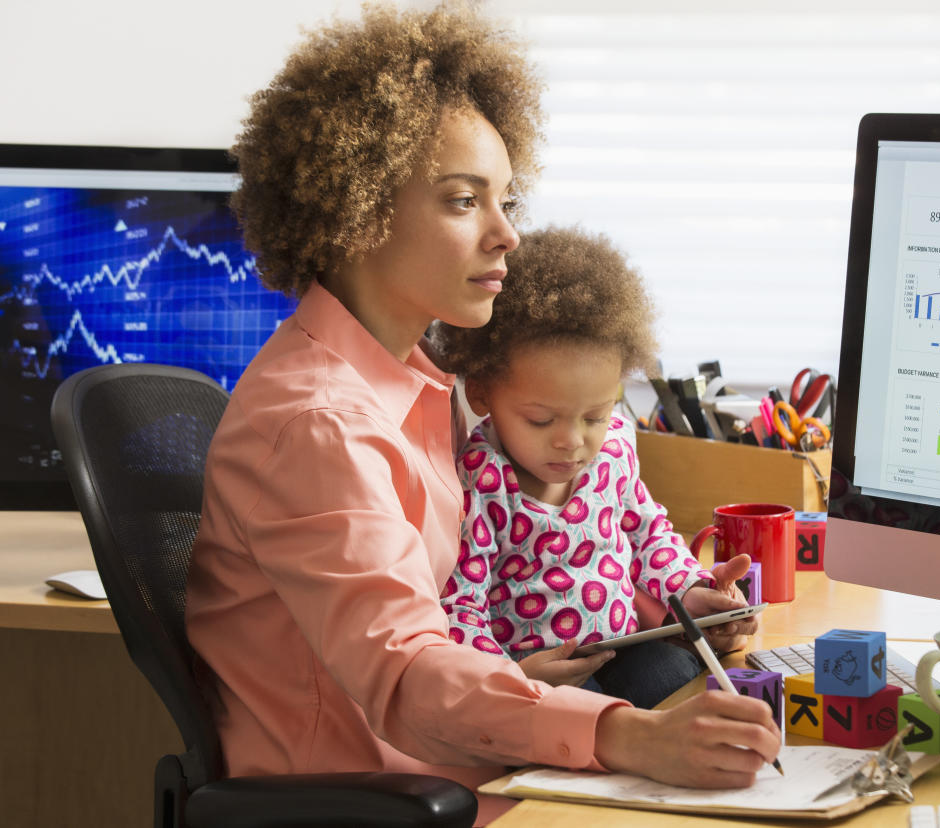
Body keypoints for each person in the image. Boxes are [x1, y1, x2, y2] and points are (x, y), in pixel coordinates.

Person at [184, 4, 779, 824]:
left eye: (505, 200)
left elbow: (524, 579)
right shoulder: (319, 423)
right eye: (466, 201)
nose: (507, 236)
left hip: (476, 767)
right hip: (388, 797)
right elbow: (408, 672)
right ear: (358, 211)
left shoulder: (425, 391)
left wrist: (665, 613)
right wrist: (631, 738)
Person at [432, 226, 756, 709]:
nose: (572, 441)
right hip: (537, 670)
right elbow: (461, 606)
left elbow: (648, 536)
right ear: (482, 393)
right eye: (541, 420)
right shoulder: (482, 478)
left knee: (681, 683)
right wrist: (509, 677)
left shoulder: (614, 451)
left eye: (595, 416)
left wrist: (692, 589)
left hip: (620, 647)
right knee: (583, 714)